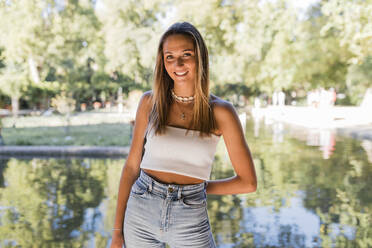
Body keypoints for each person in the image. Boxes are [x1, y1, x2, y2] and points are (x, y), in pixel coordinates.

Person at [110, 22, 257, 248]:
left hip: (190, 218)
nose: (177, 64)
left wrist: (200, 188)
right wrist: (117, 232)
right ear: (162, 62)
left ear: (200, 57)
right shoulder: (149, 103)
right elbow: (131, 167)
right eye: (169, 56)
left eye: (186, 54)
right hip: (140, 212)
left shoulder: (221, 112)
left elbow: (247, 182)